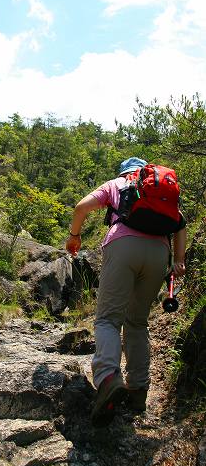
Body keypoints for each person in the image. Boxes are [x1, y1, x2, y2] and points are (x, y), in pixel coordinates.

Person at [66, 157, 187, 426]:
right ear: (146, 174)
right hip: (159, 254)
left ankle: (109, 379)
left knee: (109, 319)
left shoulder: (117, 184)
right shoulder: (163, 191)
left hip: (123, 245)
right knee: (137, 322)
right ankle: (138, 391)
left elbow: (81, 207)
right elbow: (180, 224)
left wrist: (75, 235)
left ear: (125, 172)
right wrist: (179, 259)